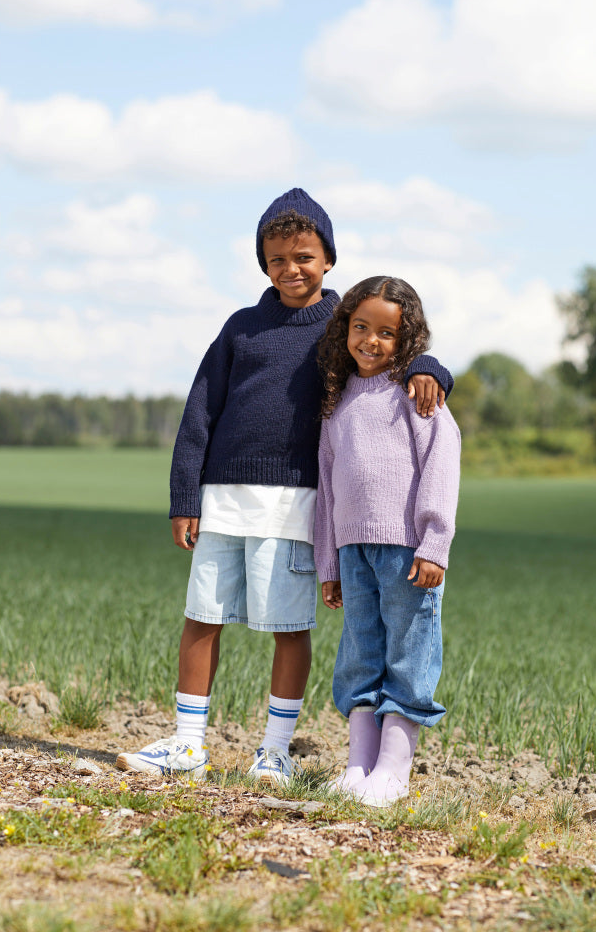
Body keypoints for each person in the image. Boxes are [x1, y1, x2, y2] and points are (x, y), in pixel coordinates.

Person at [116, 190, 453, 785]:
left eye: (303, 256)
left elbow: (391, 352)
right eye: (276, 259)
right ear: (262, 264)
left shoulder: (341, 327)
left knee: (289, 628)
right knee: (202, 616)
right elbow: (200, 411)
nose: (290, 269)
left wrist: (432, 369)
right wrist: (184, 496)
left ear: (328, 259)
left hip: (297, 504)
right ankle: (189, 743)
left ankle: (274, 750)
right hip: (222, 499)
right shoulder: (241, 328)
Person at [314, 275, 460, 806]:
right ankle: (358, 766)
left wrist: (434, 543)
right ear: (345, 328)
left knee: (409, 653)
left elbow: (442, 466)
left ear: (408, 341)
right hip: (353, 552)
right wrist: (328, 560)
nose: (370, 341)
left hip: (407, 550)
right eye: (360, 328)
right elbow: (328, 488)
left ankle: (393, 772)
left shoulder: (418, 392)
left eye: (386, 333)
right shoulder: (335, 402)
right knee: (359, 653)